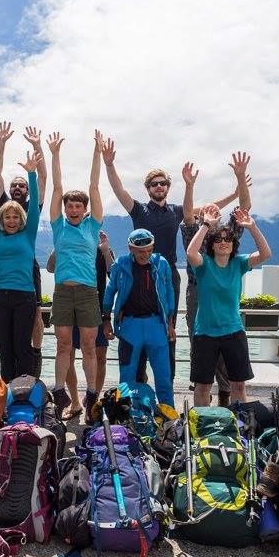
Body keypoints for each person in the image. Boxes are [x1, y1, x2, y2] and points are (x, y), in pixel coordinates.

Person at [101, 138, 192, 381]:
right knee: (136, 322)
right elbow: (118, 190)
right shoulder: (139, 210)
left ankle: (167, 382)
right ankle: (138, 383)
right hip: (137, 270)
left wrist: (236, 193)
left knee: (166, 326)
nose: (159, 187)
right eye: (154, 184)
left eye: (163, 183)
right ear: (148, 188)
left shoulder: (176, 211)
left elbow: (209, 209)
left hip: (167, 272)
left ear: (168, 187)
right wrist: (109, 164)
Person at [180, 152, 253, 404]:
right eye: (207, 210)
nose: (212, 210)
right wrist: (189, 186)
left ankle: (226, 396)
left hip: (223, 292)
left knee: (228, 348)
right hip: (197, 290)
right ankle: (203, 396)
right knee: (200, 344)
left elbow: (245, 208)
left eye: (216, 209)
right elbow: (188, 212)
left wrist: (240, 177)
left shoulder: (227, 235)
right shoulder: (193, 230)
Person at [186, 198, 272, 406]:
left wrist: (252, 227)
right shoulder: (204, 265)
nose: (223, 242)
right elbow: (190, 252)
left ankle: (239, 425)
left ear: (233, 245)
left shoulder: (239, 263)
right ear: (212, 246)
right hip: (205, 333)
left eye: (227, 239)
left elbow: (265, 254)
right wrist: (206, 224)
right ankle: (202, 426)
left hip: (233, 332)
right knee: (203, 385)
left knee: (238, 384)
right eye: (218, 240)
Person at [0, 142, 43, 382]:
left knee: (23, 348)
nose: (11, 220)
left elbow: (34, 208)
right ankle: (8, 396)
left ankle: (25, 394)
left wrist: (32, 173)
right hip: (2, 297)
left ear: (21, 219)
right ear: (2, 219)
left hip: (25, 297)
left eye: (15, 216)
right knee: (5, 350)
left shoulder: (29, 232)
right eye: (7, 216)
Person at [48, 129, 104, 415]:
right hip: (62, 292)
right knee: (63, 345)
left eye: (77, 206)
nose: (72, 208)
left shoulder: (91, 226)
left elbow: (94, 186)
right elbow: (56, 188)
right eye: (69, 205)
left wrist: (97, 153)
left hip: (87, 292)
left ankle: (92, 393)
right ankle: (59, 391)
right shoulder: (58, 225)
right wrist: (55, 154)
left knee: (90, 346)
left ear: (84, 210)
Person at [0, 122, 48, 376]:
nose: (17, 188)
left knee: (35, 322)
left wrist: (37, 148)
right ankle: (12, 380)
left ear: (27, 190)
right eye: (14, 185)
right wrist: (1, 143)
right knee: (8, 343)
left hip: (29, 268)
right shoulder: (3, 206)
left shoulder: (32, 210)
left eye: (22, 185)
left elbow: (43, 178)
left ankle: (33, 368)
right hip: (7, 277)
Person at [102, 228, 176, 408]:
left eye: (149, 250)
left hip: (157, 325)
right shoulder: (120, 264)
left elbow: (169, 292)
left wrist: (171, 323)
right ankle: (122, 417)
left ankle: (169, 418)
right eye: (141, 251)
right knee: (126, 377)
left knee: (164, 377)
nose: (146, 255)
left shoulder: (161, 263)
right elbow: (110, 292)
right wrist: (106, 320)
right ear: (131, 248)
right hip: (129, 326)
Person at [46, 230, 115, 419]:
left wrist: (106, 249)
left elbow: (113, 273)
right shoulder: (65, 244)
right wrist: (60, 242)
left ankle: (93, 404)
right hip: (69, 305)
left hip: (95, 307)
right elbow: (50, 267)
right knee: (67, 354)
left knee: (99, 356)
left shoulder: (101, 247)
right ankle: (75, 403)